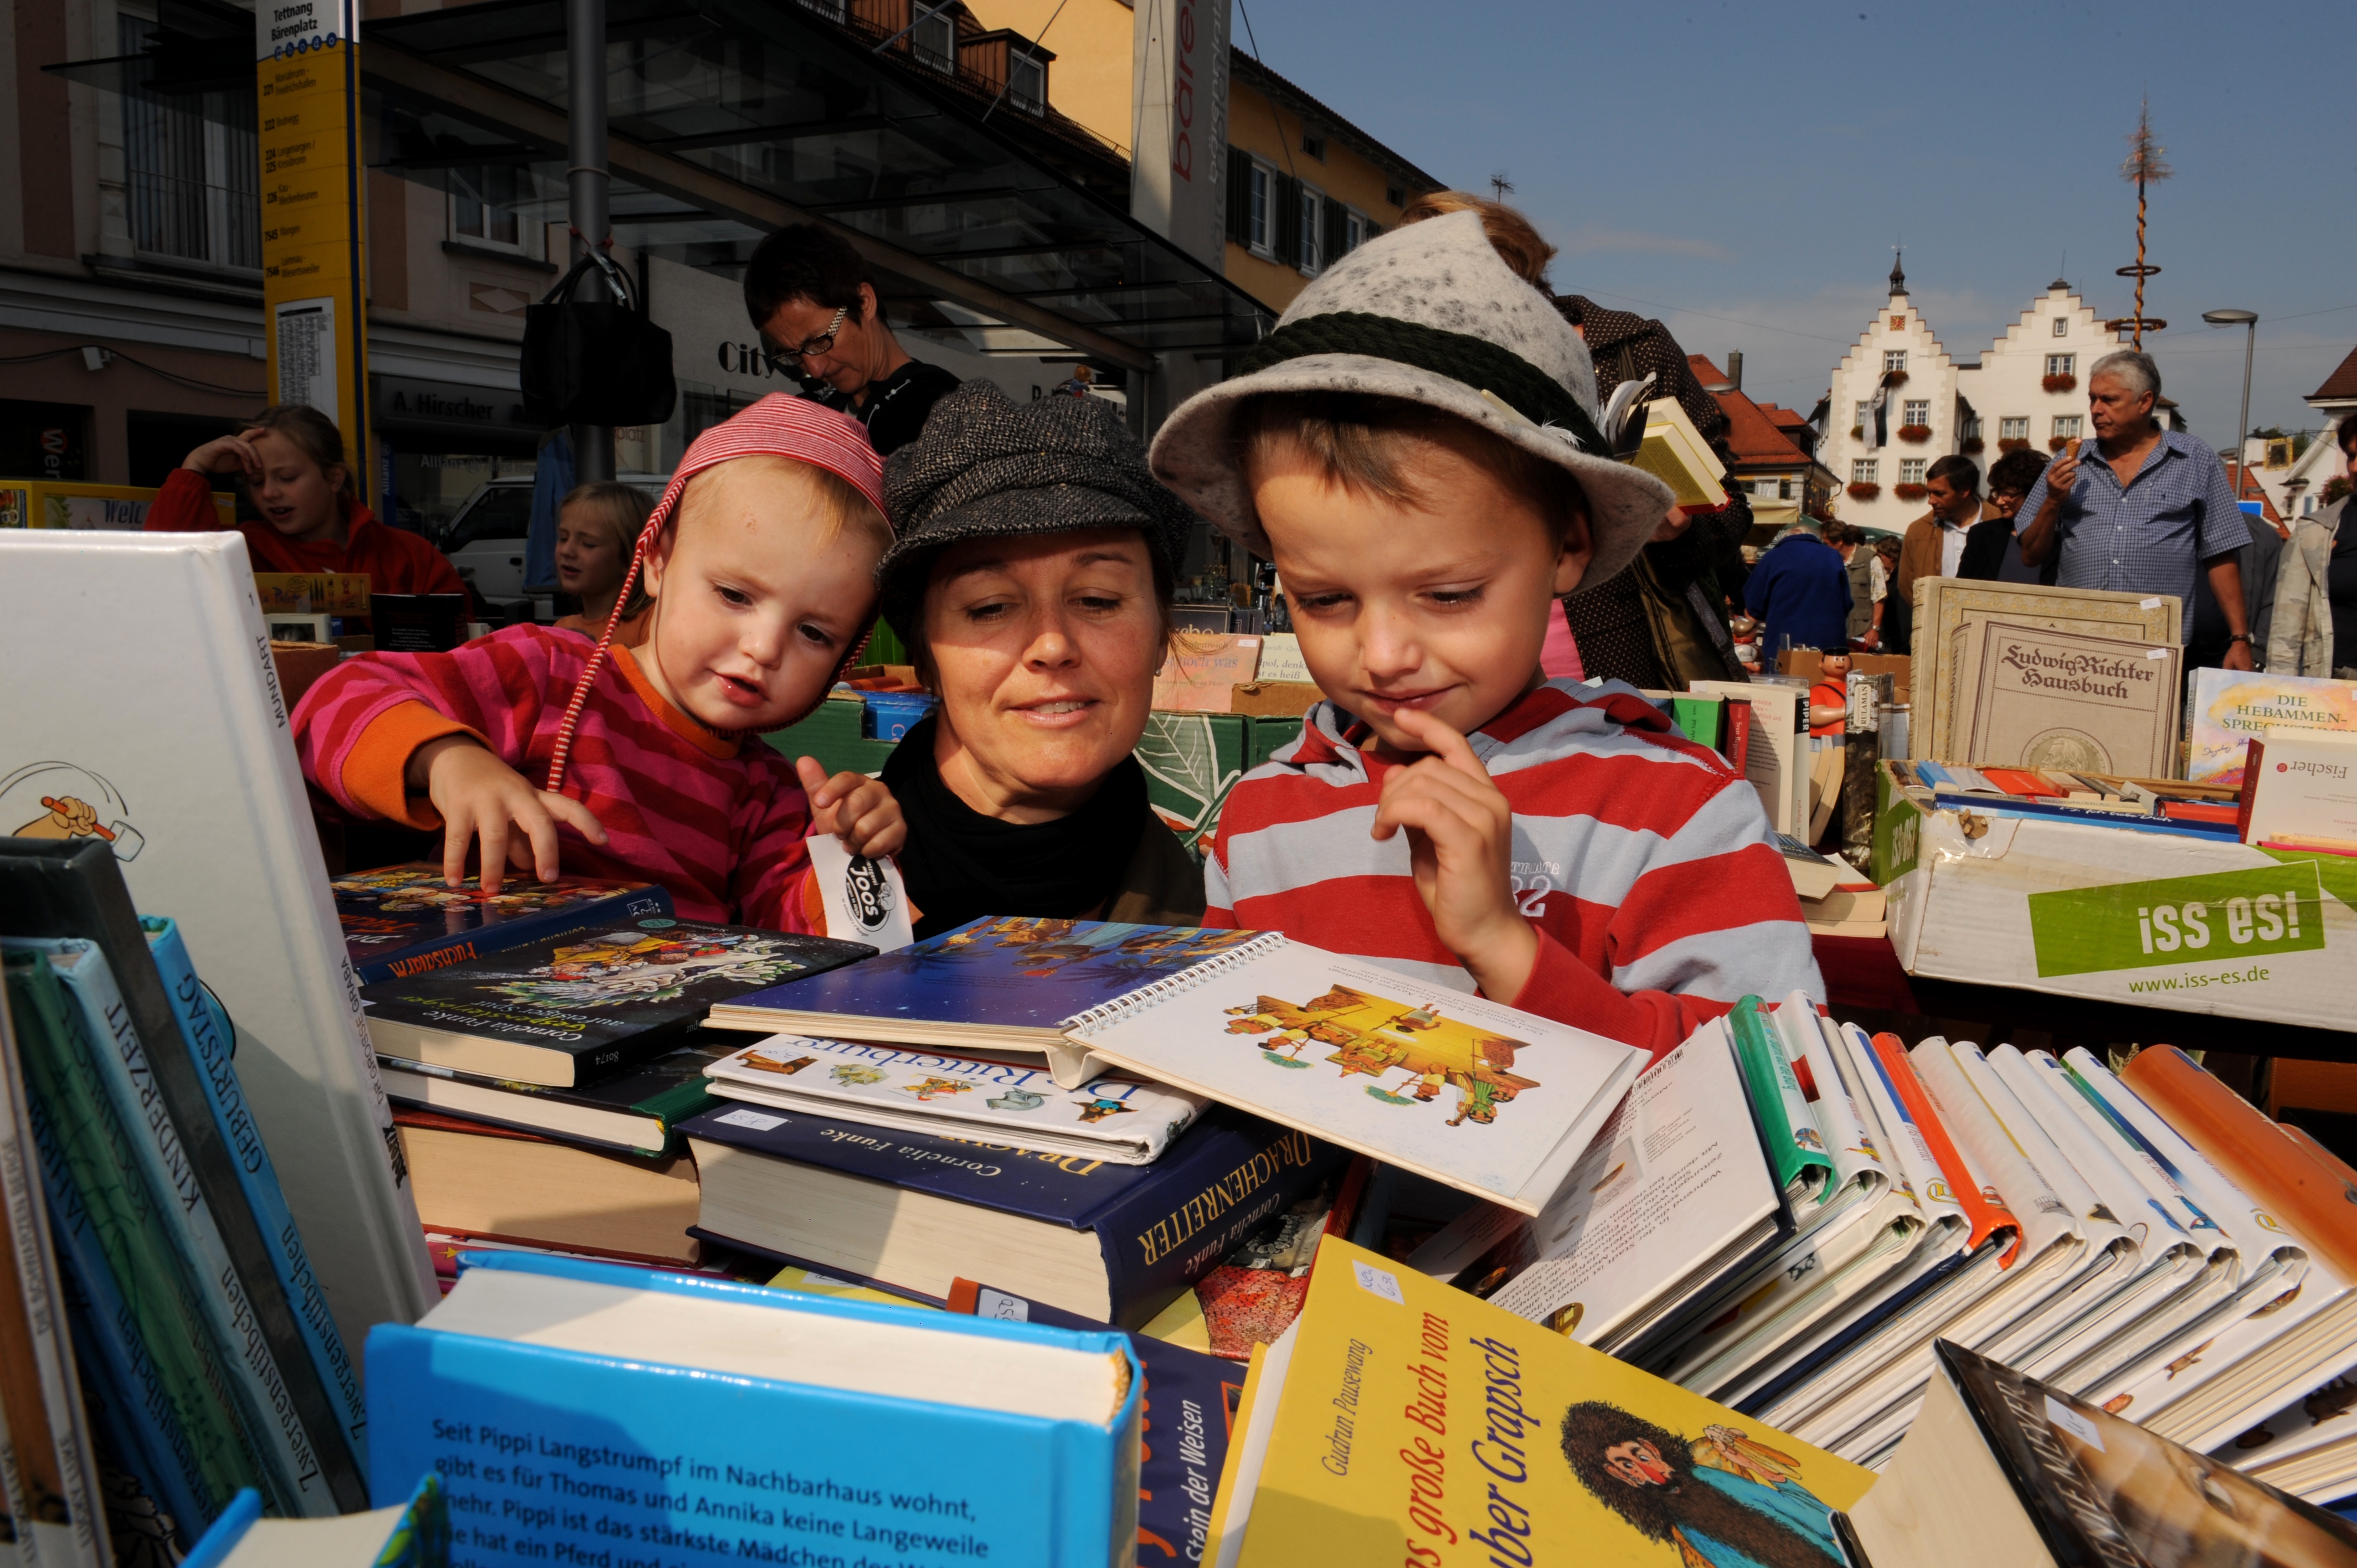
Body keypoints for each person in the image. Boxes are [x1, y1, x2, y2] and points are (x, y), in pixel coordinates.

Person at [1147, 208, 1820, 1059]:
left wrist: (1510, 950)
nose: (1384, 655)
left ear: (1567, 548)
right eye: (1323, 600)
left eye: (1451, 594)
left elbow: (1785, 1079)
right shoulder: (1262, 813)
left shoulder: (1675, 813)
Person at [290, 396, 905, 926]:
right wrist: (451, 763)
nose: (764, 648)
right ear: (657, 561)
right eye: (734, 596)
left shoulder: (770, 795)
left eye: (814, 633)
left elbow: (794, 942)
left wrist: (845, 851)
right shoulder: (544, 671)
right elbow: (332, 703)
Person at [874, 380, 1205, 940]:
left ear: (1158, 637)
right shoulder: (802, 880)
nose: (1052, 645)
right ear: (924, 654)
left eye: (1097, 600)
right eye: (990, 607)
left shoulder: (1210, 918)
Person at [2016, 350, 2255, 669]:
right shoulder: (2072, 460)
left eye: (2109, 400)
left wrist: (2239, 639)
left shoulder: (2195, 458)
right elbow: (2030, 554)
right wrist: (2052, 501)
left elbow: (2221, 554)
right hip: (2077, 642)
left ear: (2145, 402)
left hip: (2156, 646)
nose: (2096, 411)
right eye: (2092, 399)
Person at [151, 404, 469, 609]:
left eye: (287, 477)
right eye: (257, 481)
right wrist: (193, 470)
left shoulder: (411, 556)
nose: (270, 493)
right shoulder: (241, 552)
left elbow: (463, 646)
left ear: (333, 477)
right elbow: (164, 574)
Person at [742, 224, 961, 455]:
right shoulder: (823, 419)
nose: (815, 370)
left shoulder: (943, 409)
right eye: (794, 356)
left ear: (865, 302)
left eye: (820, 341)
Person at [1559, 1402, 1846, 1568]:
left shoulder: (1711, 1466)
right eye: (1628, 1466)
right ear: (1622, 1476)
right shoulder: (1686, 1541)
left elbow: (1821, 1519)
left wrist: (1747, 1460)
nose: (1645, 1468)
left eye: (1640, 1455)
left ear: (1651, 1447)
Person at [2266, 417, 2357, 678]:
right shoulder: (2316, 532)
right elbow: (2287, 631)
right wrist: (2280, 693)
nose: (2355, 466)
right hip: (2335, 689)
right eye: (2351, 456)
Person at [550, 481, 656, 647]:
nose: (567, 550)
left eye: (588, 544)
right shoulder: (563, 628)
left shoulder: (652, 623)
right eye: (563, 538)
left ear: (630, 559)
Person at [1743, 525, 1851, 664]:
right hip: (1829, 644)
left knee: (1784, 682)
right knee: (1826, 682)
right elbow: (1847, 602)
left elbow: (1754, 606)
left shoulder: (1773, 557)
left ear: (1786, 539)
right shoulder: (1833, 556)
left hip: (1784, 642)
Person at [1894, 453, 1984, 604]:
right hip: (1936, 622)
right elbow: (1906, 585)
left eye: (1940, 494)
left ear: (1964, 491)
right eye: (1929, 493)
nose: (1931, 501)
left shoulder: (2000, 523)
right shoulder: (1919, 530)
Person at [1958, 448, 2051, 583]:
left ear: (2033, 493)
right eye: (1998, 493)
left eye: (2009, 494)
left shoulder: (2060, 537)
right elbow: (1961, 587)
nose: (1999, 501)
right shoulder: (1981, 535)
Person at [1823, 522, 1875, 644]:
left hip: (1863, 632)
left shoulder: (1870, 559)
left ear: (1840, 541)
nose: (1824, 548)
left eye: (1826, 544)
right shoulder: (1830, 562)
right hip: (1837, 631)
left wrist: (1875, 629)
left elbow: (1880, 596)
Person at [1865, 534, 1902, 649]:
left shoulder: (1899, 579)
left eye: (1880, 557)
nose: (1878, 561)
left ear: (1891, 556)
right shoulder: (1892, 576)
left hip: (1895, 638)